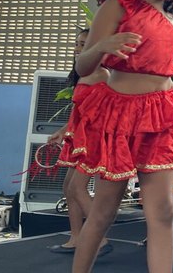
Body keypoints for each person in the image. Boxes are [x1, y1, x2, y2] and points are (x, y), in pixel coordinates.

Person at [69, 0, 173, 273]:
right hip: (120, 116)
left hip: (160, 116)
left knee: (164, 212)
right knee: (104, 212)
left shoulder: (172, 21)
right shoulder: (117, 6)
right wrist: (101, 46)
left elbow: (164, 80)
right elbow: (83, 67)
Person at [48, 29, 111, 255]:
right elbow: (78, 111)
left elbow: (101, 114)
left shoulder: (103, 75)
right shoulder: (82, 74)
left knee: (77, 187)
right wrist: (62, 131)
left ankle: (100, 239)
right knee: (68, 187)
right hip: (79, 137)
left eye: (84, 44)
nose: (78, 48)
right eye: (77, 43)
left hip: (93, 138)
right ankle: (76, 237)